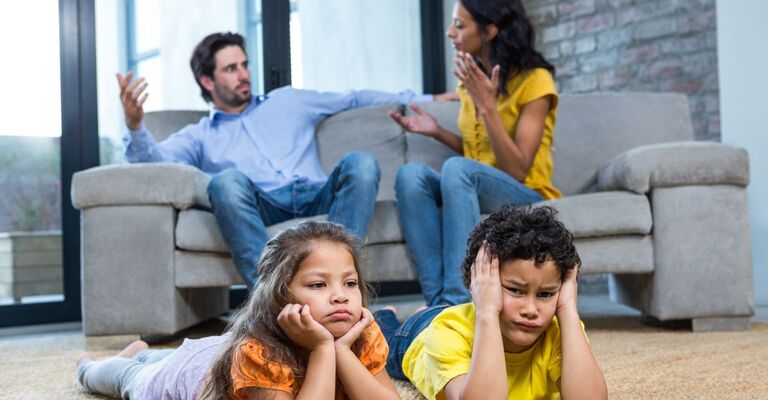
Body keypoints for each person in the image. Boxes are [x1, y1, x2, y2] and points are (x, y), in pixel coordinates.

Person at [118, 31, 447, 287]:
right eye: (231, 69)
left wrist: (427, 100)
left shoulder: (288, 100)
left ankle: (336, 275)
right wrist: (135, 125)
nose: (244, 74)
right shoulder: (200, 135)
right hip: (264, 205)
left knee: (360, 163)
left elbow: (356, 98)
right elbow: (153, 163)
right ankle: (272, 296)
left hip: (316, 195)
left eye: (245, 65)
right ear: (208, 81)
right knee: (225, 182)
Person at [76, 221, 400, 400]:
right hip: (190, 374)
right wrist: (320, 348)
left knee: (176, 354)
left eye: (349, 283)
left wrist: (340, 350)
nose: (340, 297)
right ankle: (94, 364)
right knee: (131, 377)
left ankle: (145, 353)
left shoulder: (357, 333)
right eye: (318, 285)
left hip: (218, 351)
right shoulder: (260, 353)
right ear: (279, 296)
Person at [389, 0, 562, 307]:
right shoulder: (471, 80)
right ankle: (439, 305)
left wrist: (488, 107)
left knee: (456, 169)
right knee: (411, 175)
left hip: (528, 194)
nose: (449, 32)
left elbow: (517, 168)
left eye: (460, 24)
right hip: (481, 185)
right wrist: (437, 131)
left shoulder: (536, 81)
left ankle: (461, 302)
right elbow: (477, 158)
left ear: (490, 30)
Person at [373, 205, 608, 400]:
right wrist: (487, 312)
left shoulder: (564, 331)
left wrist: (568, 309)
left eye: (546, 294)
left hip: (465, 316)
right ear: (480, 285)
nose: (530, 310)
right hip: (418, 334)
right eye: (515, 290)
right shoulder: (445, 334)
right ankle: (387, 313)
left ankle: (427, 309)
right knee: (381, 337)